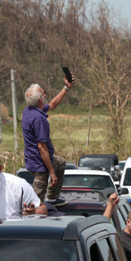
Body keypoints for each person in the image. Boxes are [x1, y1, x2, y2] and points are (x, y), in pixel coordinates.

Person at [22, 73, 75, 205]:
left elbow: (52, 105)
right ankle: (33, 213)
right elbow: (42, 147)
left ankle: (52, 197)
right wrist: (52, 172)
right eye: (43, 93)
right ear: (40, 99)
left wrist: (66, 88)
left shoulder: (29, 110)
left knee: (60, 162)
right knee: (36, 199)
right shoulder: (39, 119)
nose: (45, 94)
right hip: (40, 163)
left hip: (32, 158)